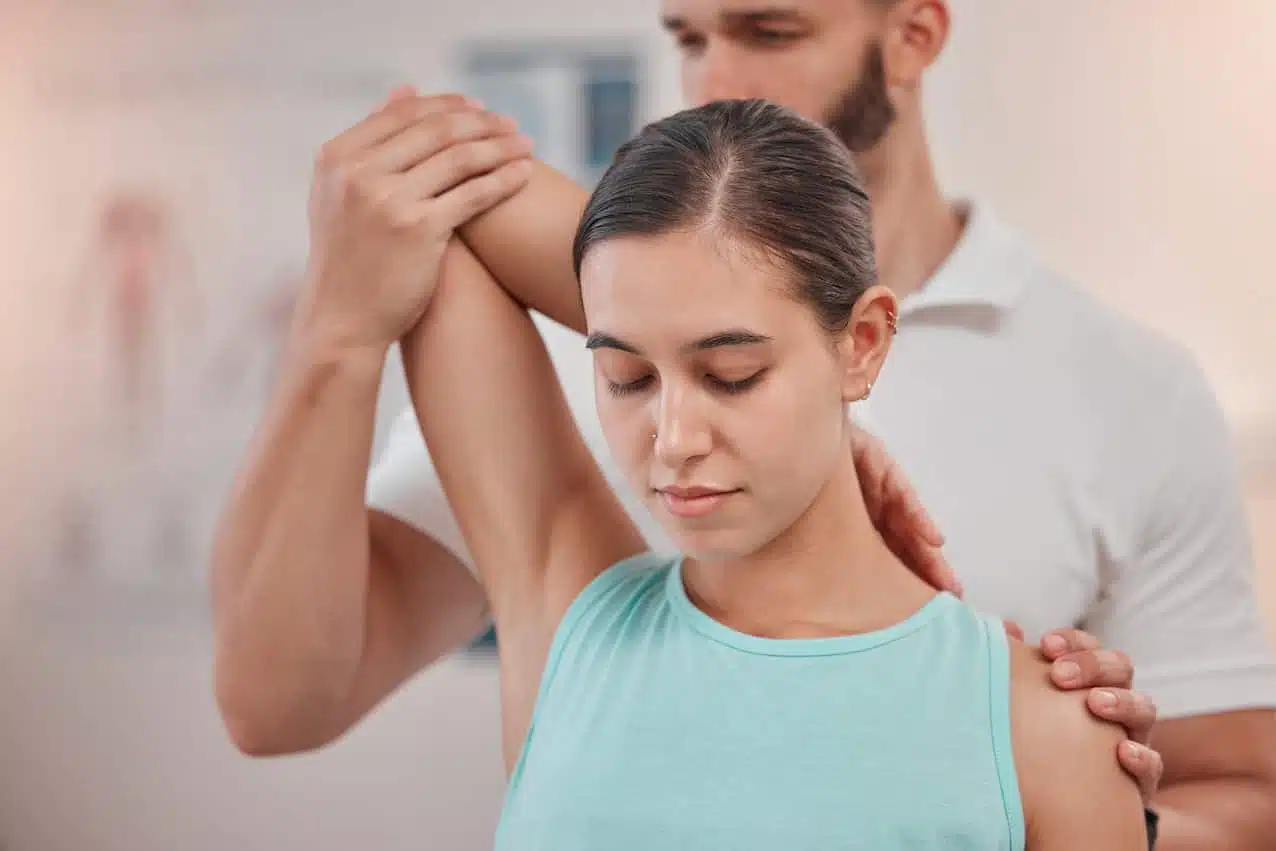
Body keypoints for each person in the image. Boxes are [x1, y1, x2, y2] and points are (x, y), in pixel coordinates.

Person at [212, 2, 1275, 847]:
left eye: (768, 29)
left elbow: (1240, 793)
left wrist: (1065, 801)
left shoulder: (1126, 386)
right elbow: (273, 706)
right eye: (687, 35)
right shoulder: (591, 560)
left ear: (913, 31)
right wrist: (777, 411)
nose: (714, 78)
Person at [417, 98, 1148, 848]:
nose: (672, 440)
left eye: (732, 374)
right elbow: (416, 176)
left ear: (863, 342)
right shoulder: (571, 626)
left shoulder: (1048, 734)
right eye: (626, 373)